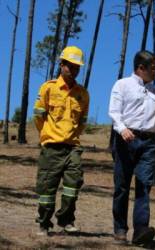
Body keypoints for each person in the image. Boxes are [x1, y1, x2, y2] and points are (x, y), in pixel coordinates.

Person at [108, 50, 155, 245]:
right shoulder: (122, 85)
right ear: (141, 68)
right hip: (125, 141)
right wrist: (122, 129)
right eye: (153, 68)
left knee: (144, 186)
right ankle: (120, 229)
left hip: (147, 144)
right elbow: (114, 112)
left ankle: (140, 230)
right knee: (122, 186)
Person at [33, 46, 89, 236]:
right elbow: (39, 117)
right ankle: (44, 222)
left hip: (72, 147)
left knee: (73, 186)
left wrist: (71, 136)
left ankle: (66, 221)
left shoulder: (83, 94)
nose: (73, 71)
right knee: (47, 189)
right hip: (51, 147)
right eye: (70, 66)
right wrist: (48, 134)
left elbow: (82, 122)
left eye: (76, 68)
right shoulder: (48, 88)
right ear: (61, 64)